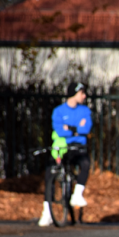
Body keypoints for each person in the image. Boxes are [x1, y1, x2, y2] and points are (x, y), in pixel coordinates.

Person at [39, 82, 93, 226]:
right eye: (82, 93)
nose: (84, 96)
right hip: (62, 146)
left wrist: (69, 128)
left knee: (85, 163)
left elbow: (86, 128)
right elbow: (59, 130)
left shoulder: (85, 111)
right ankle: (47, 212)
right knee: (50, 172)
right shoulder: (58, 111)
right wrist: (76, 129)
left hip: (78, 146)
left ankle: (77, 194)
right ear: (74, 94)